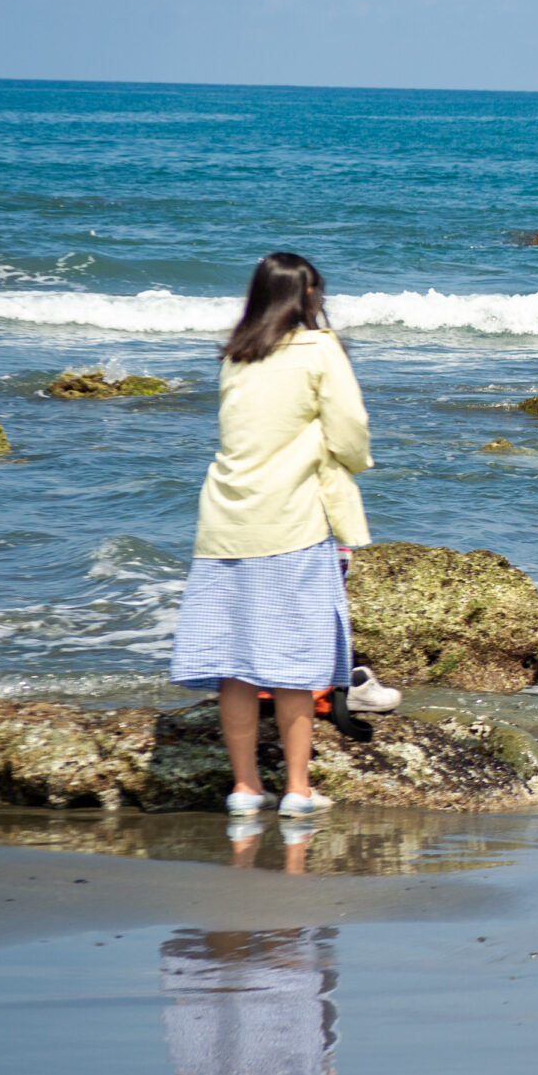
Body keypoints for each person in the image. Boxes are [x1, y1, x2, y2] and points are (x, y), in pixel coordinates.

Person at [169, 252, 373, 821]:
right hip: (292, 521)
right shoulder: (319, 349)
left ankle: (244, 788)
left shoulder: (237, 354)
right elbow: (350, 429)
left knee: (235, 662)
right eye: (317, 291)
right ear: (305, 294)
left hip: (225, 522)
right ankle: (298, 790)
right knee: (295, 661)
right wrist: (349, 462)